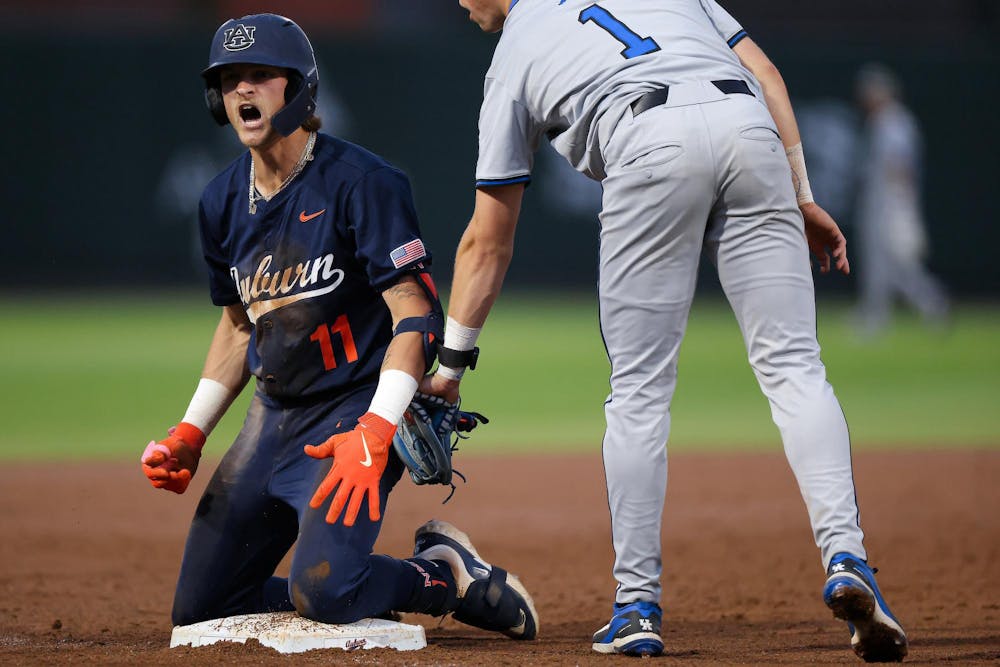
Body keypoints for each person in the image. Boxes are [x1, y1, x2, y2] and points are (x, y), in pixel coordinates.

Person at [422, 0, 906, 660]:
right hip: (749, 128)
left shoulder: (512, 54)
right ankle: (849, 558)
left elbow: (487, 242)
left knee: (639, 393)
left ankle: (637, 607)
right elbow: (764, 71)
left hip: (648, 138)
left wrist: (449, 366)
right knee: (795, 367)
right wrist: (800, 193)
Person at [139, 13, 537, 640]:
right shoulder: (219, 201)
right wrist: (191, 430)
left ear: (298, 89)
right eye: (231, 79)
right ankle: (366, 577)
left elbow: (415, 312)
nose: (244, 90)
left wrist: (377, 431)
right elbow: (239, 328)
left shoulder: (363, 182)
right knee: (205, 608)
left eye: (261, 76)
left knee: (324, 591)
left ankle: (441, 577)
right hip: (271, 420)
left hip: (354, 413)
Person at [854, 63, 950, 336]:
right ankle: (875, 315)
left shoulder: (896, 122)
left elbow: (901, 167)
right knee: (877, 263)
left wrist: (903, 208)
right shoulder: (881, 121)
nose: (866, 98)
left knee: (900, 262)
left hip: (893, 202)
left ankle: (932, 300)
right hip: (880, 199)